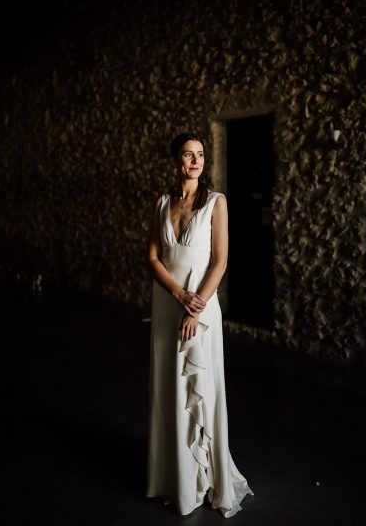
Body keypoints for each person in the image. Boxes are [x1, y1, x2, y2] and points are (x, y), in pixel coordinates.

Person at [145, 132, 254, 517]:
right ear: (175, 161)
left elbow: (220, 261)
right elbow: (154, 256)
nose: (195, 161)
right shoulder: (162, 203)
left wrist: (195, 308)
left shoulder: (216, 203)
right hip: (168, 303)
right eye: (188, 155)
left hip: (201, 308)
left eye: (201, 155)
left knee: (200, 386)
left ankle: (206, 476)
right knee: (169, 387)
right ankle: (174, 477)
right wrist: (177, 296)